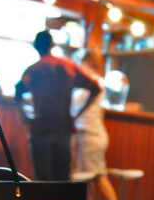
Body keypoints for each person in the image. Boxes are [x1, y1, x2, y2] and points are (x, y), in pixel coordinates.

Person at [15, 31, 100, 181]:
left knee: (42, 182)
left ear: (36, 47)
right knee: (63, 182)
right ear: (52, 45)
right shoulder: (68, 66)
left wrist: (24, 116)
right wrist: (77, 114)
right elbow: (95, 88)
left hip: (41, 128)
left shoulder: (34, 70)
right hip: (64, 127)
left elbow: (18, 91)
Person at [71, 49, 126, 200]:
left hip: (90, 136)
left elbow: (73, 105)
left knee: (98, 178)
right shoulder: (95, 82)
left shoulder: (92, 82)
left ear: (86, 63)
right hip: (91, 135)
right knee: (90, 180)